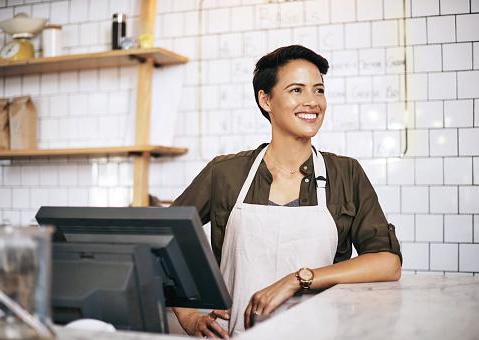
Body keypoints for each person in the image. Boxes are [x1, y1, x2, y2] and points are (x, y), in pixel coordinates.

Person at [172, 45, 402, 338]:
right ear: (265, 99)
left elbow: (387, 262)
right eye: (297, 90)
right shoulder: (225, 173)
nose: (312, 102)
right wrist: (189, 316)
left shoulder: (346, 173)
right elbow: (166, 242)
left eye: (319, 90)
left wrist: (299, 279)